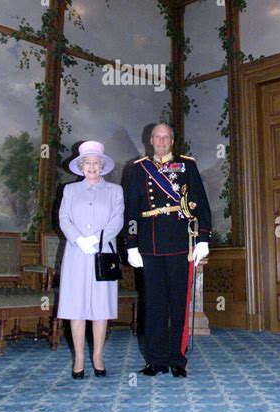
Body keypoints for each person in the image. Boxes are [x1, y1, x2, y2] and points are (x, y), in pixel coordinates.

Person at [126, 123, 211, 377]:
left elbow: (201, 203)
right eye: (157, 137)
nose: (162, 141)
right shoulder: (139, 168)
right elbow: (131, 209)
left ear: (172, 141)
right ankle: (156, 359)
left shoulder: (187, 165)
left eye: (166, 137)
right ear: (150, 140)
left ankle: (177, 358)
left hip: (179, 243)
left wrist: (203, 239)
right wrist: (131, 244)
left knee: (178, 303)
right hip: (149, 244)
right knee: (153, 305)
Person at [57, 141, 124, 379]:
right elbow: (64, 219)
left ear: (103, 166)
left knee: (100, 308)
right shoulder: (70, 191)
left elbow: (117, 220)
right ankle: (79, 358)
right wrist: (79, 240)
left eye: (96, 163)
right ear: (81, 166)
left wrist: (97, 239)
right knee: (76, 308)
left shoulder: (115, 191)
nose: (92, 167)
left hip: (103, 253)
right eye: (88, 163)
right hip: (77, 254)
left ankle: (97, 356)